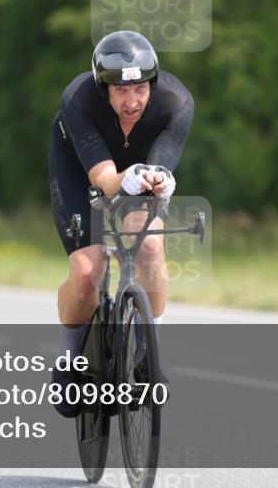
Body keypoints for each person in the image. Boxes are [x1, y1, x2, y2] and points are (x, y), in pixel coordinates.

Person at [48, 31, 194, 417]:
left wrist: (160, 179)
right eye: (121, 92)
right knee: (86, 271)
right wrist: (122, 178)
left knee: (149, 246)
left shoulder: (176, 103)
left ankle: (149, 358)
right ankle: (69, 360)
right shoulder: (79, 99)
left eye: (141, 89)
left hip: (140, 171)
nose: (132, 102)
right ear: (103, 90)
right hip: (84, 170)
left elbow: (162, 165)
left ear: (153, 84)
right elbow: (105, 180)